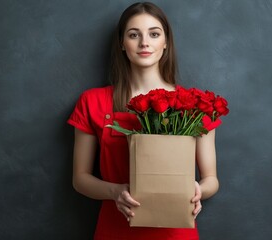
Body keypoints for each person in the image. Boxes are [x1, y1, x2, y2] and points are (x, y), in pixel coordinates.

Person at [67, 2, 221, 239]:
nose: (144, 43)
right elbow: (80, 179)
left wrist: (199, 189)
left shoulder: (194, 104)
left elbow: (211, 179)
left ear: (166, 42)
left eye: (154, 34)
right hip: (115, 229)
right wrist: (115, 191)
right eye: (133, 35)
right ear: (122, 43)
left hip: (175, 231)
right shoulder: (92, 101)